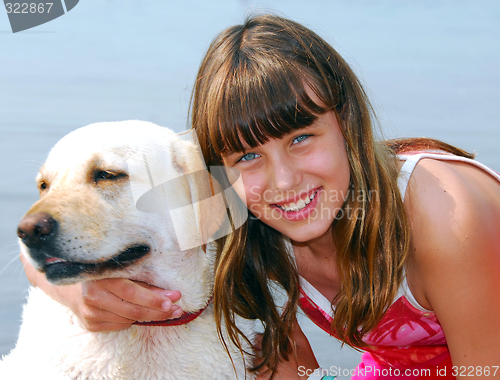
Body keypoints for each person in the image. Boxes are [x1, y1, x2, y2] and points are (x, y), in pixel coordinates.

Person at [23, 14, 500, 380]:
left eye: (301, 138)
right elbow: (43, 246)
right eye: (247, 154)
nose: (284, 181)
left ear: (347, 121)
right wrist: (75, 293)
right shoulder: (246, 205)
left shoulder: (445, 212)